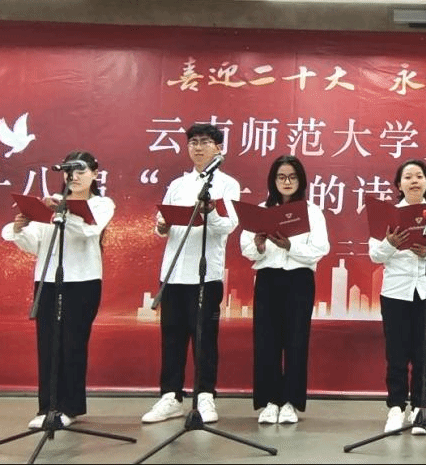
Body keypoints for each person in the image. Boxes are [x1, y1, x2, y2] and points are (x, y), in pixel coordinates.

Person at [1, 150, 115, 430]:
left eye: (81, 170)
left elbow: (89, 231)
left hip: (83, 282)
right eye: (69, 171)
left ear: (95, 174)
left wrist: (61, 212)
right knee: (48, 343)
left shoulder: (101, 204)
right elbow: (36, 244)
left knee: (73, 344)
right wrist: (21, 229)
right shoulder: (51, 203)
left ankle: (70, 408)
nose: (74, 176)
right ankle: (48, 407)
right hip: (48, 280)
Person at [141, 124, 240, 425]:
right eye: (193, 142)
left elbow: (229, 224)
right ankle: (170, 397)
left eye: (205, 142)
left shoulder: (227, 184)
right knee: (171, 337)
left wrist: (210, 212)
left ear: (219, 148)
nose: (198, 147)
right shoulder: (177, 184)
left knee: (204, 338)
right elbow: (162, 223)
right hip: (173, 273)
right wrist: (161, 225)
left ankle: (205, 396)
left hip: (205, 274)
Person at [370, 159, 426, 434]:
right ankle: (396, 408)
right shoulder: (386, 215)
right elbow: (374, 255)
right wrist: (390, 243)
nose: (414, 181)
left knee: (424, 353)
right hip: (395, 292)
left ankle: (421, 408)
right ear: (399, 184)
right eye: (407, 177)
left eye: (419, 176)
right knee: (396, 353)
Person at [240, 155, 330, 424]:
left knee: (296, 341)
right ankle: (270, 401)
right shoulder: (261, 210)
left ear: (300, 180)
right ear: (273, 181)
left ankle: (290, 402)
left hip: (299, 280)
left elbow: (321, 248)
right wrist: (258, 245)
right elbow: (245, 248)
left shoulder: (312, 211)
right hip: (268, 278)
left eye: (292, 177)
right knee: (266, 341)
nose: (287, 182)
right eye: (281, 177)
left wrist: (290, 246)